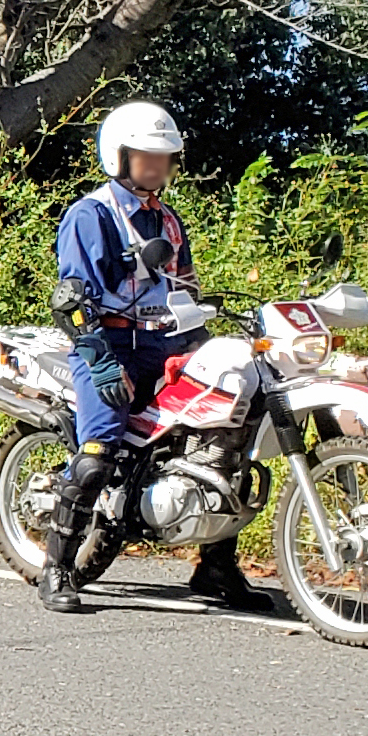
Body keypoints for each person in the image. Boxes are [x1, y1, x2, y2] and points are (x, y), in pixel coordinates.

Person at [39, 100, 271, 616]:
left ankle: (214, 565)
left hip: (164, 341)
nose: (156, 167)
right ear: (118, 157)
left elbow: (184, 288)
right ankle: (58, 567)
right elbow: (70, 298)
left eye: (164, 159)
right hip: (108, 343)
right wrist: (99, 359)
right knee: (99, 450)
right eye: (145, 157)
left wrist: (207, 341)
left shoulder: (167, 219)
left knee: (229, 434)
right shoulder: (92, 214)